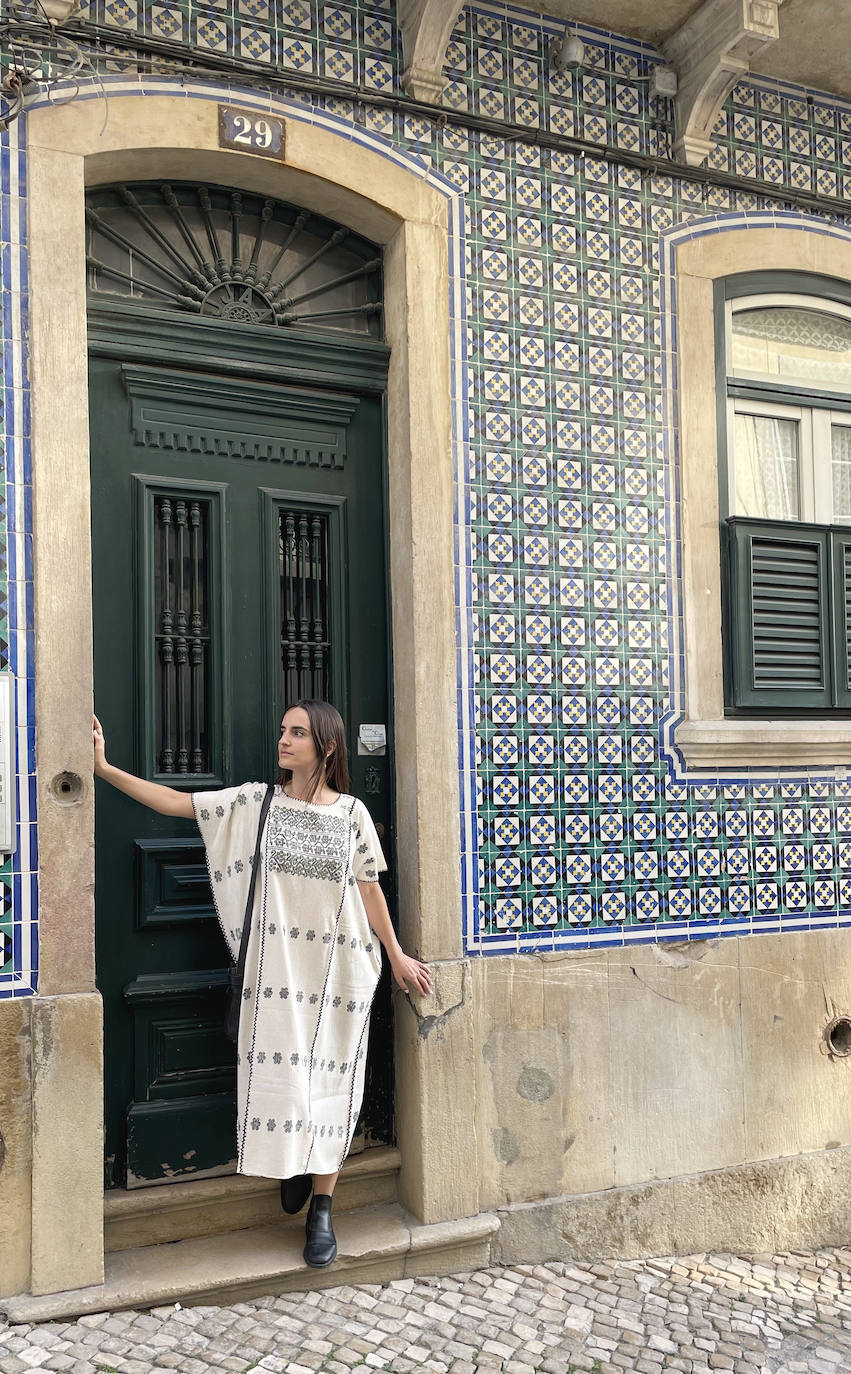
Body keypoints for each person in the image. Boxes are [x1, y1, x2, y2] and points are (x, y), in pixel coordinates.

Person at [92, 699, 432, 1269]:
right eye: (282, 731)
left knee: (329, 1090)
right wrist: (105, 769)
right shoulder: (258, 803)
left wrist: (396, 955)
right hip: (275, 978)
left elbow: (370, 889)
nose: (283, 740)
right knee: (284, 1082)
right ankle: (294, 1164)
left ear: (325, 746)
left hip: (338, 976)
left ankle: (322, 1208)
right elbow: (179, 803)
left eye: (297, 733)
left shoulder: (352, 814)